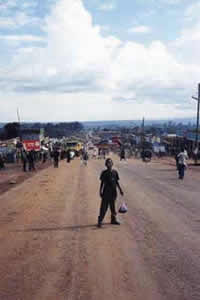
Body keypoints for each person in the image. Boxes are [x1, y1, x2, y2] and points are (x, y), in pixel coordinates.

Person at [97, 158, 124, 228]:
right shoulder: (104, 173)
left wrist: (120, 190)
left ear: (112, 164)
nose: (109, 164)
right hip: (106, 192)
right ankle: (100, 221)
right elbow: (102, 183)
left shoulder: (115, 172)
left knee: (113, 207)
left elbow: (117, 182)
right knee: (103, 208)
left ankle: (113, 220)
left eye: (110, 163)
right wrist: (100, 191)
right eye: (108, 163)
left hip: (113, 192)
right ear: (106, 164)